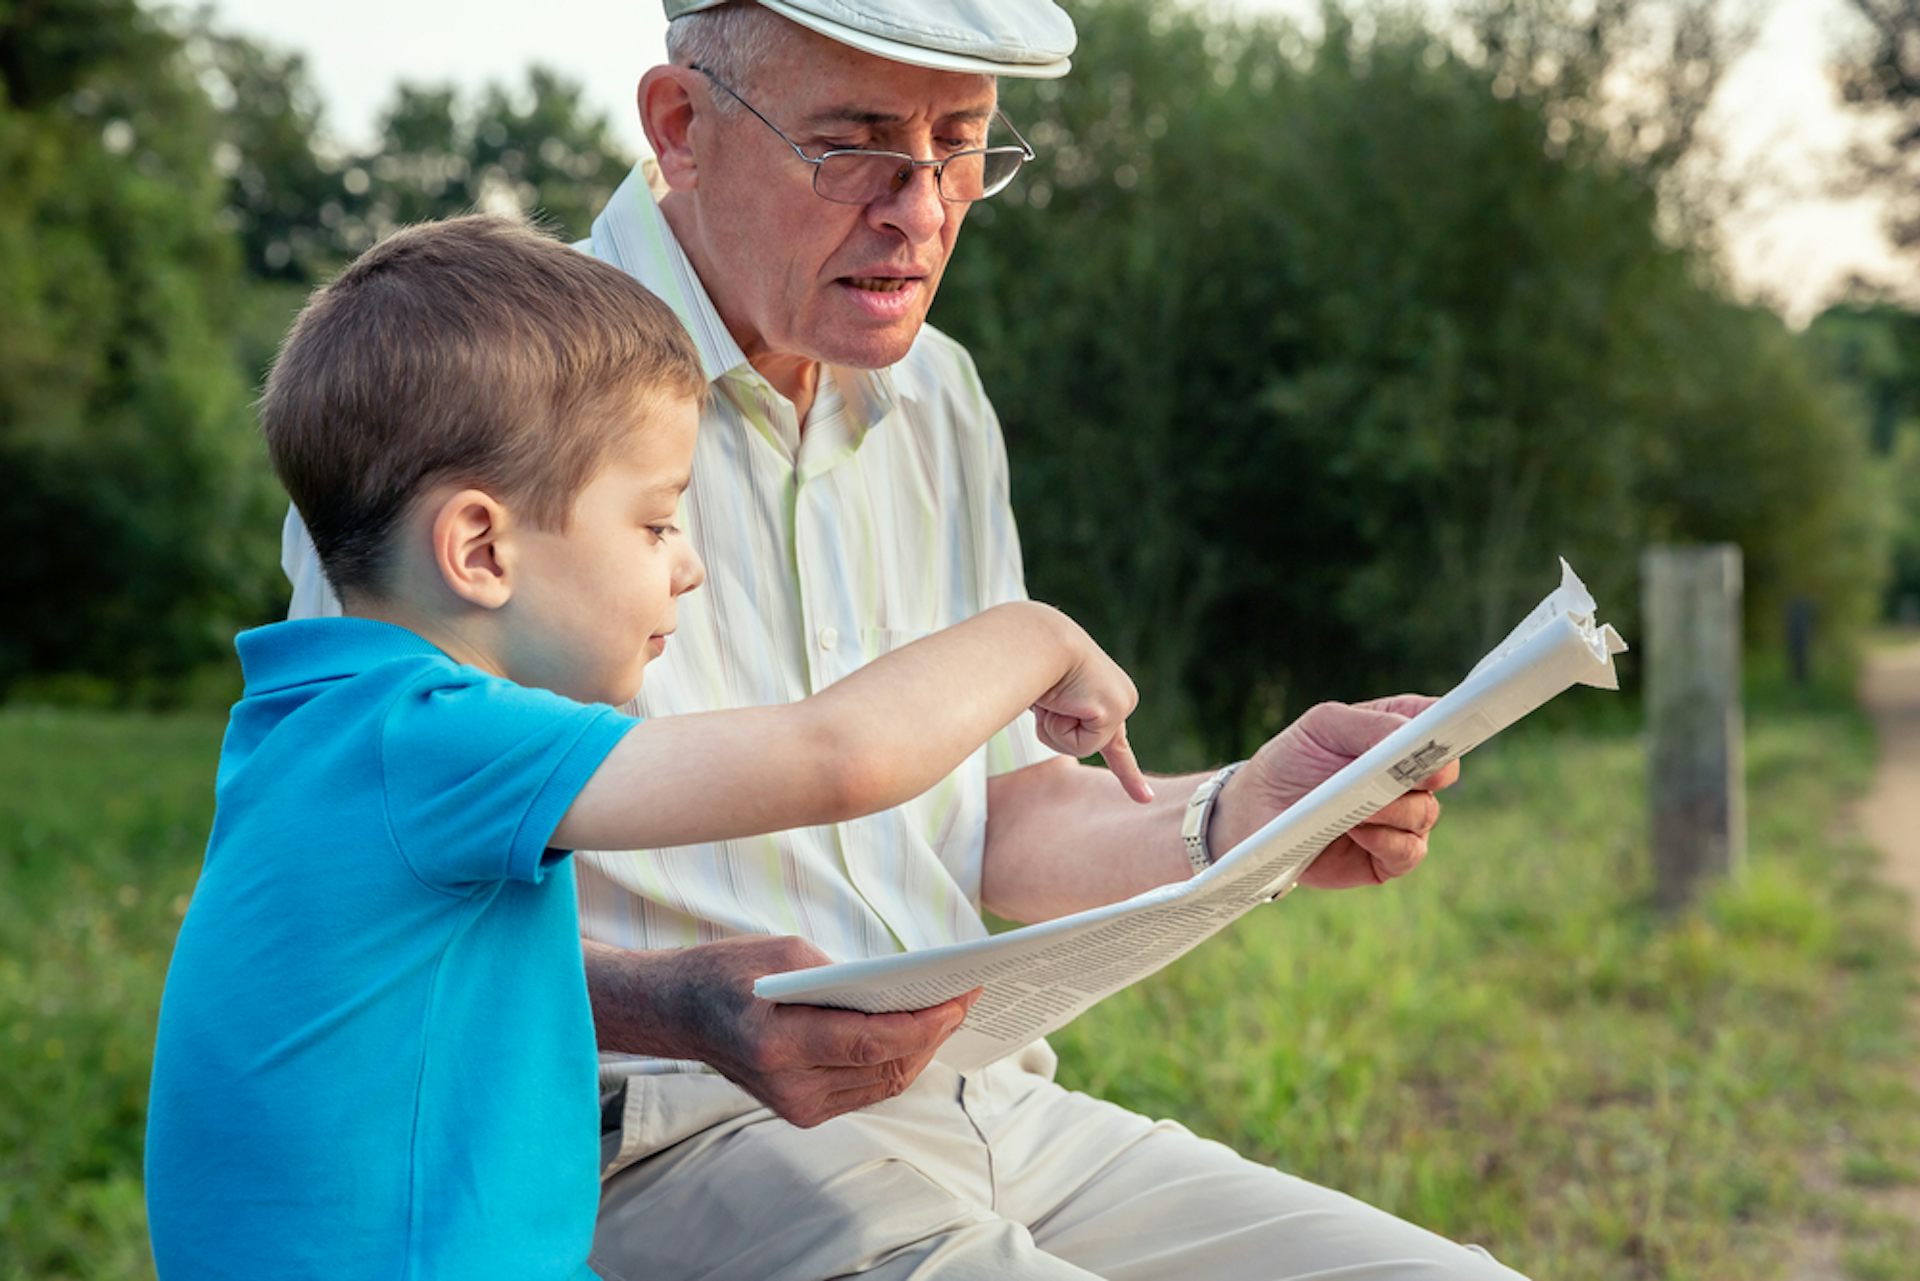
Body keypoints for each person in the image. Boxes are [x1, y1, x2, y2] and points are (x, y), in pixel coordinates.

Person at [278, 4, 1524, 1277]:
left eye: (964, 145)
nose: (922, 209)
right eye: (855, 143)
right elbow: (360, 906)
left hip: (982, 1105)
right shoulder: (468, 404)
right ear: (682, 126)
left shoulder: (942, 396)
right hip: (652, 1143)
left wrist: (1243, 812)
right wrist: (681, 1011)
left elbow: (995, 818)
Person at [146, 214, 1154, 1280]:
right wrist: (1036, 637)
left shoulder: (323, 725)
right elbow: (834, 758)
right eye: (657, 522)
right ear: (481, 547)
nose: (689, 567)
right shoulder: (425, 739)